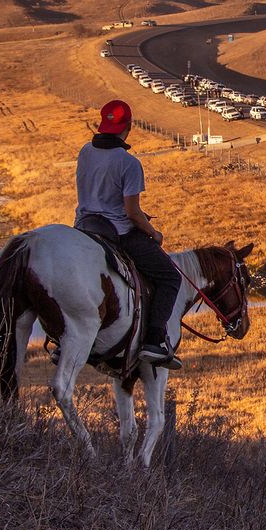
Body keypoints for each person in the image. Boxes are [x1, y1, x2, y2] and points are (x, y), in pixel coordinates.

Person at [74, 100, 183, 370]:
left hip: (85, 227)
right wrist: (153, 232)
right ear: (128, 127)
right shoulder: (129, 163)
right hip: (117, 232)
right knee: (170, 277)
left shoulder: (85, 151)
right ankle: (154, 340)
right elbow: (132, 213)